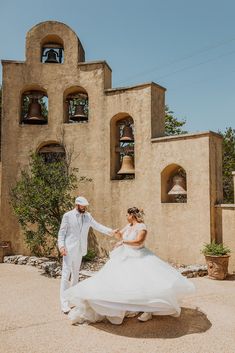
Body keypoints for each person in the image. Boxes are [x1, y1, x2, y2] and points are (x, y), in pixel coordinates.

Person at [64, 207, 195, 324]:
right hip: (124, 256)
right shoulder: (129, 226)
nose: (126, 217)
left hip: (139, 256)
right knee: (124, 283)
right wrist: (116, 233)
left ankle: (147, 310)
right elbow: (120, 235)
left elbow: (139, 241)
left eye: (127, 215)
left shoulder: (142, 227)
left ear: (132, 215)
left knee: (144, 284)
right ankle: (128, 305)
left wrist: (123, 242)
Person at [58, 196, 114, 314]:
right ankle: (64, 303)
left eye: (85, 206)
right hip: (68, 249)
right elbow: (61, 233)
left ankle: (73, 299)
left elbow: (97, 226)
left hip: (80, 250)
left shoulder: (88, 216)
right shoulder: (67, 216)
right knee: (65, 275)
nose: (84, 208)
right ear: (77, 205)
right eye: (82, 206)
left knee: (76, 274)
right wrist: (61, 246)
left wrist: (111, 231)